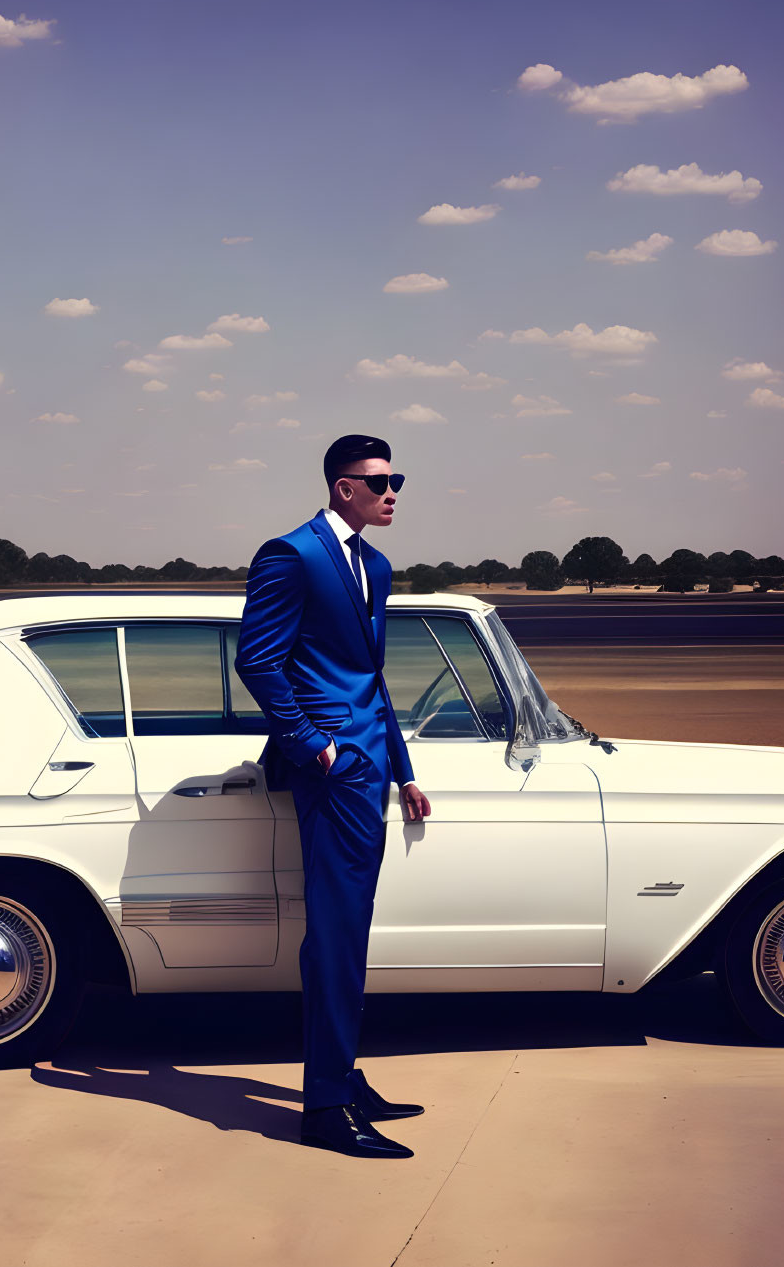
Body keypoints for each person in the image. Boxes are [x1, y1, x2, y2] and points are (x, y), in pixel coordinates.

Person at [234, 434, 433, 1159]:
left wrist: (402, 768)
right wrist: (313, 743)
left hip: (369, 765)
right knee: (337, 931)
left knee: (347, 932)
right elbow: (257, 657)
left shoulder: (374, 565)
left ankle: (341, 1078)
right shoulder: (292, 553)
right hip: (331, 769)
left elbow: (370, 679)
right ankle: (323, 1108)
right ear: (343, 487)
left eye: (397, 480)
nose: (393, 493)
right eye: (381, 481)